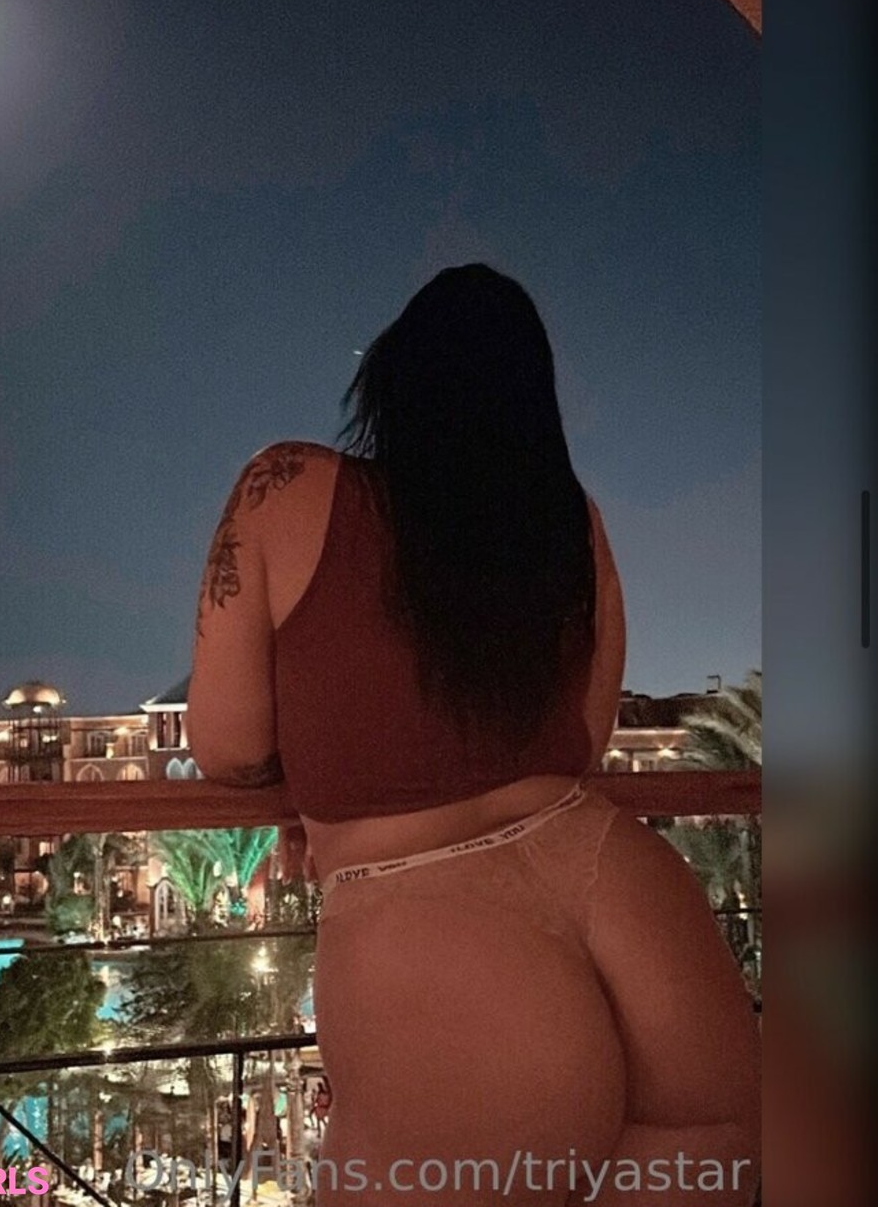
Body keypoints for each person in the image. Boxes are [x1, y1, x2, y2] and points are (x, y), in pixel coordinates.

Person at [187, 265, 760, 1205]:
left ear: (389, 384)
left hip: (443, 944)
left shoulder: (285, 489)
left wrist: (331, 747)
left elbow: (227, 746)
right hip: (633, 893)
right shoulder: (571, 524)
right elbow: (582, 743)